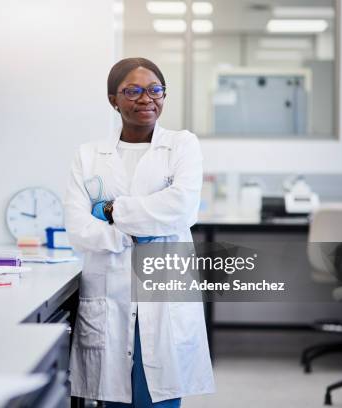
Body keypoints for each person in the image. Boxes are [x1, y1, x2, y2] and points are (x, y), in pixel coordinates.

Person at [64, 57, 215, 407]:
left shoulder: (182, 145)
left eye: (154, 89)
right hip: (109, 294)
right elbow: (79, 229)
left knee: (159, 396)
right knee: (113, 396)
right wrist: (133, 234)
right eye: (132, 90)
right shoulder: (88, 156)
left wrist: (114, 211)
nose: (146, 98)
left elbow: (181, 209)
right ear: (113, 99)